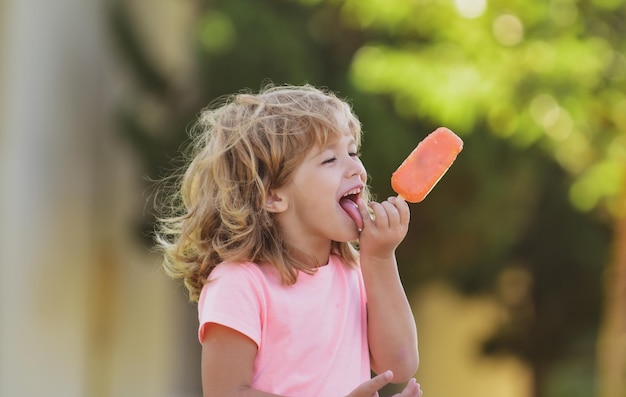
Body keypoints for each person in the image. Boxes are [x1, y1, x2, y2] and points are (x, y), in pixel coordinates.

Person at [155, 84, 422, 397]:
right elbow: (225, 393)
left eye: (352, 152)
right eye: (330, 160)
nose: (358, 170)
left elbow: (400, 364)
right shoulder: (238, 283)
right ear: (273, 195)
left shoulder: (351, 271)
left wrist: (380, 258)